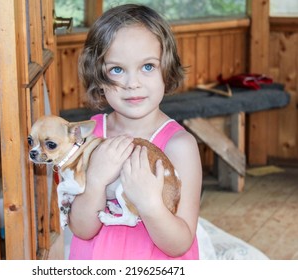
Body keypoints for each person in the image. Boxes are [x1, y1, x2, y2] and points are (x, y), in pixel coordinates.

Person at [68, 4, 202, 260]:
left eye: (148, 67)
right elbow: (81, 229)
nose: (133, 83)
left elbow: (180, 244)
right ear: (97, 74)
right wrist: (95, 182)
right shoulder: (88, 136)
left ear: (167, 67)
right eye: (117, 70)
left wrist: (150, 203)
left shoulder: (180, 146)